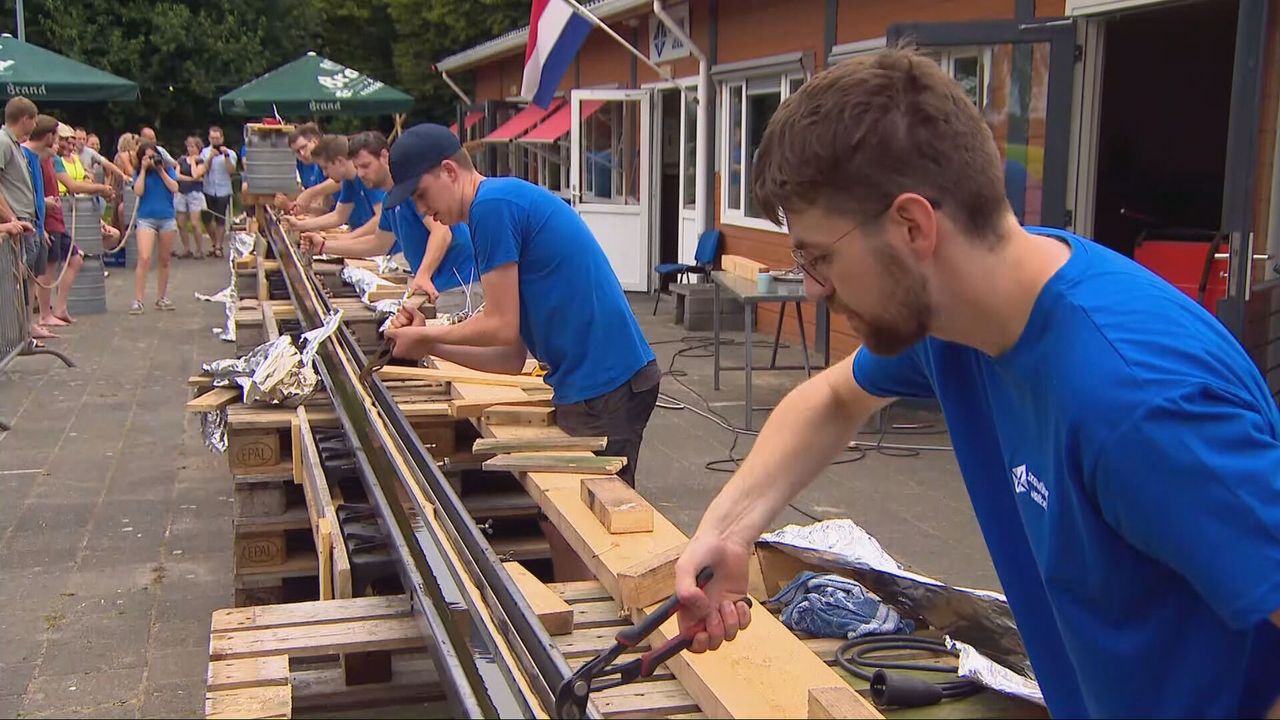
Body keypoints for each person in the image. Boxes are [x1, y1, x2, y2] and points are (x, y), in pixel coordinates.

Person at [669, 49, 1280, 719]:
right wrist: (729, 530)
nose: (813, 287)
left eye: (819, 256)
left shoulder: (1137, 401)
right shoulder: (958, 320)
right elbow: (833, 399)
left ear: (912, 226)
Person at [382, 123, 659, 483]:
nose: (424, 210)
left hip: (605, 384)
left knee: (587, 519)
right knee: (563, 512)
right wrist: (429, 344)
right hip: (600, 382)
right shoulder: (493, 207)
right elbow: (509, 357)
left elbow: (500, 325)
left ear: (449, 171)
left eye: (421, 195)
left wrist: (426, 339)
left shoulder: (490, 208)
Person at [300, 131, 478, 314]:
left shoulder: (414, 191)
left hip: (460, 284)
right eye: (357, 167)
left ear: (385, 157)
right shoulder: (389, 200)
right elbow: (379, 243)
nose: (361, 173)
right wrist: (324, 247)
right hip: (441, 287)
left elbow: (442, 232)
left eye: (366, 166)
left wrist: (423, 275)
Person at [42, 119, 111, 325]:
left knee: (74, 258)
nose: (72, 147)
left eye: (74, 143)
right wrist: (99, 188)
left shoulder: (57, 159)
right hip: (50, 217)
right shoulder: (49, 159)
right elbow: (72, 185)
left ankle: (59, 308)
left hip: (59, 216)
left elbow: (79, 180)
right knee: (49, 266)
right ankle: (45, 313)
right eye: (67, 142)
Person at [0, 97, 46, 341]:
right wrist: (11, 217)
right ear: (25, 118)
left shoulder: (14, 144)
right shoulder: (3, 143)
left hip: (24, 221)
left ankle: (23, 331)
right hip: (16, 222)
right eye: (35, 118)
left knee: (22, 278)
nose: (36, 123)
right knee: (13, 279)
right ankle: (13, 334)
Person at [281, 134, 383, 237]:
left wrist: (346, 238)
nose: (325, 174)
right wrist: (299, 225)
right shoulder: (348, 181)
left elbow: (381, 218)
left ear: (339, 161)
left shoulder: (367, 177)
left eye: (326, 167)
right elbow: (338, 216)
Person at [130, 141, 179, 314]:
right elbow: (138, 191)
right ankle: (138, 300)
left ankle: (162, 297)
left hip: (167, 217)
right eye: (147, 156)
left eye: (153, 156)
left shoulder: (167, 170)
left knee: (164, 259)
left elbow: (175, 187)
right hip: (146, 218)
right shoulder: (138, 172)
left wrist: (160, 170)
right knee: (144, 258)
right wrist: (143, 170)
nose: (151, 159)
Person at [199, 126, 237, 258]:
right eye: (212, 138)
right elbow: (202, 170)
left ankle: (219, 246)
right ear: (209, 138)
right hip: (207, 188)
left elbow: (231, 170)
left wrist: (225, 156)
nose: (215, 140)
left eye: (217, 138)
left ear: (222, 138)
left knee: (220, 219)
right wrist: (210, 157)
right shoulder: (204, 152)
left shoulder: (230, 153)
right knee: (206, 219)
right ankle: (215, 243)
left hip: (223, 189)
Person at [174, 135, 208, 258]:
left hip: (195, 194)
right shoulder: (181, 160)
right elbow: (177, 176)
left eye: (193, 146)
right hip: (181, 192)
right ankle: (186, 249)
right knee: (181, 223)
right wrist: (192, 179)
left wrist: (193, 162)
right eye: (188, 146)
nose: (190, 149)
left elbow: (196, 174)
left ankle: (199, 249)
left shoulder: (201, 161)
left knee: (194, 223)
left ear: (198, 148)